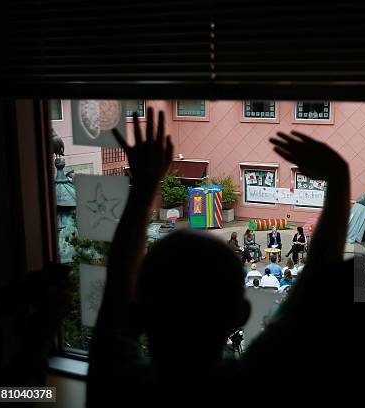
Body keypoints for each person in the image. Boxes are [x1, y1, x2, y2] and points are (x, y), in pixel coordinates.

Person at [87, 109, 350, 405]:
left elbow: (117, 286)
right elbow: (318, 283)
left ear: (139, 313)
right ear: (241, 314)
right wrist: (339, 177)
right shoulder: (253, 384)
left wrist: (144, 186)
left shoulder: (116, 384)